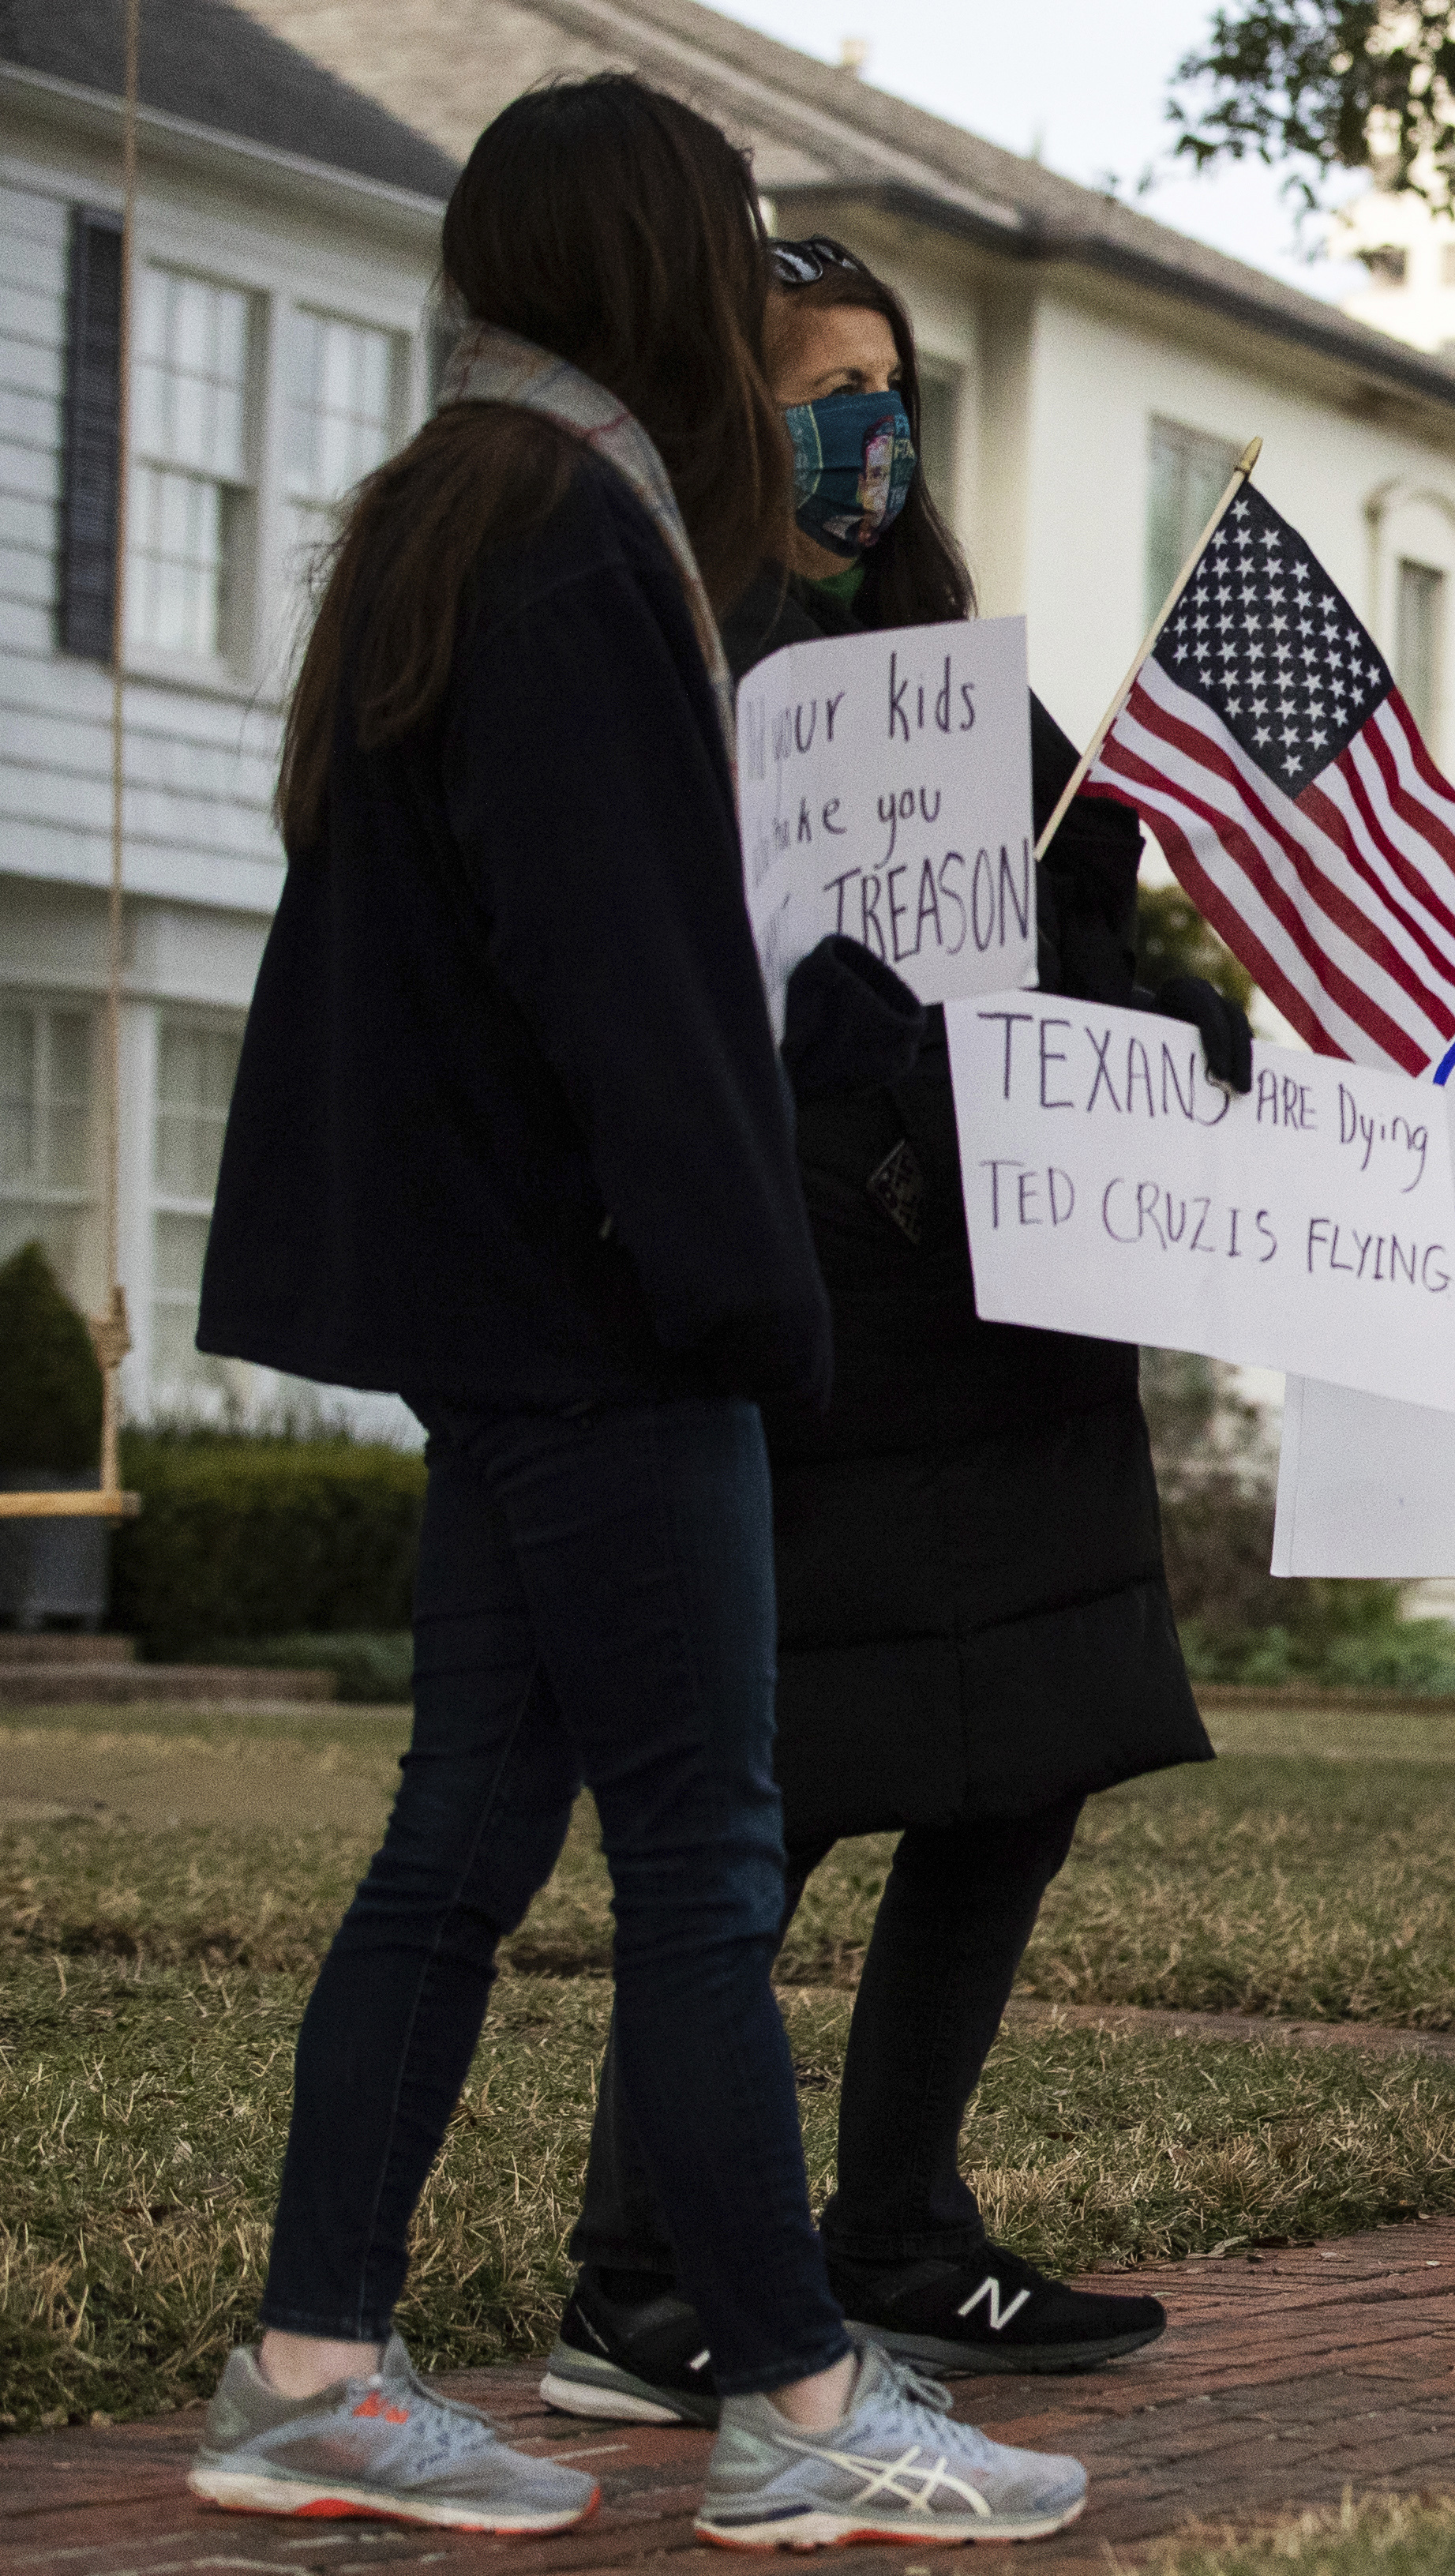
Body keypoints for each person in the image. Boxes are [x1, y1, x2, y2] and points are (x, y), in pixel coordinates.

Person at [183, 76, 1079, 2547]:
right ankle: (798, 2410)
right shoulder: (579, 539)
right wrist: (747, 1294)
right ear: (636, 262)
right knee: (704, 1850)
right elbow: (630, 989)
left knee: (462, 1835)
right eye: (733, 239)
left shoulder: (458, 507)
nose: (752, 279)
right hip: (606, 1319)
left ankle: (313, 2365)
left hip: (510, 1312)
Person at [543, 234, 1238, 2428]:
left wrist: (1154, 1009)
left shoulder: (943, 651)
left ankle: (908, 2230)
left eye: (883, 387)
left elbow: (1048, 919)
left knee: (1015, 1783)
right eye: (810, 391)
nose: (861, 434)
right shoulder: (666, 646)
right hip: (813, 1306)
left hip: (1012, 1304)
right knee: (778, 1805)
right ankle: (635, 2271)